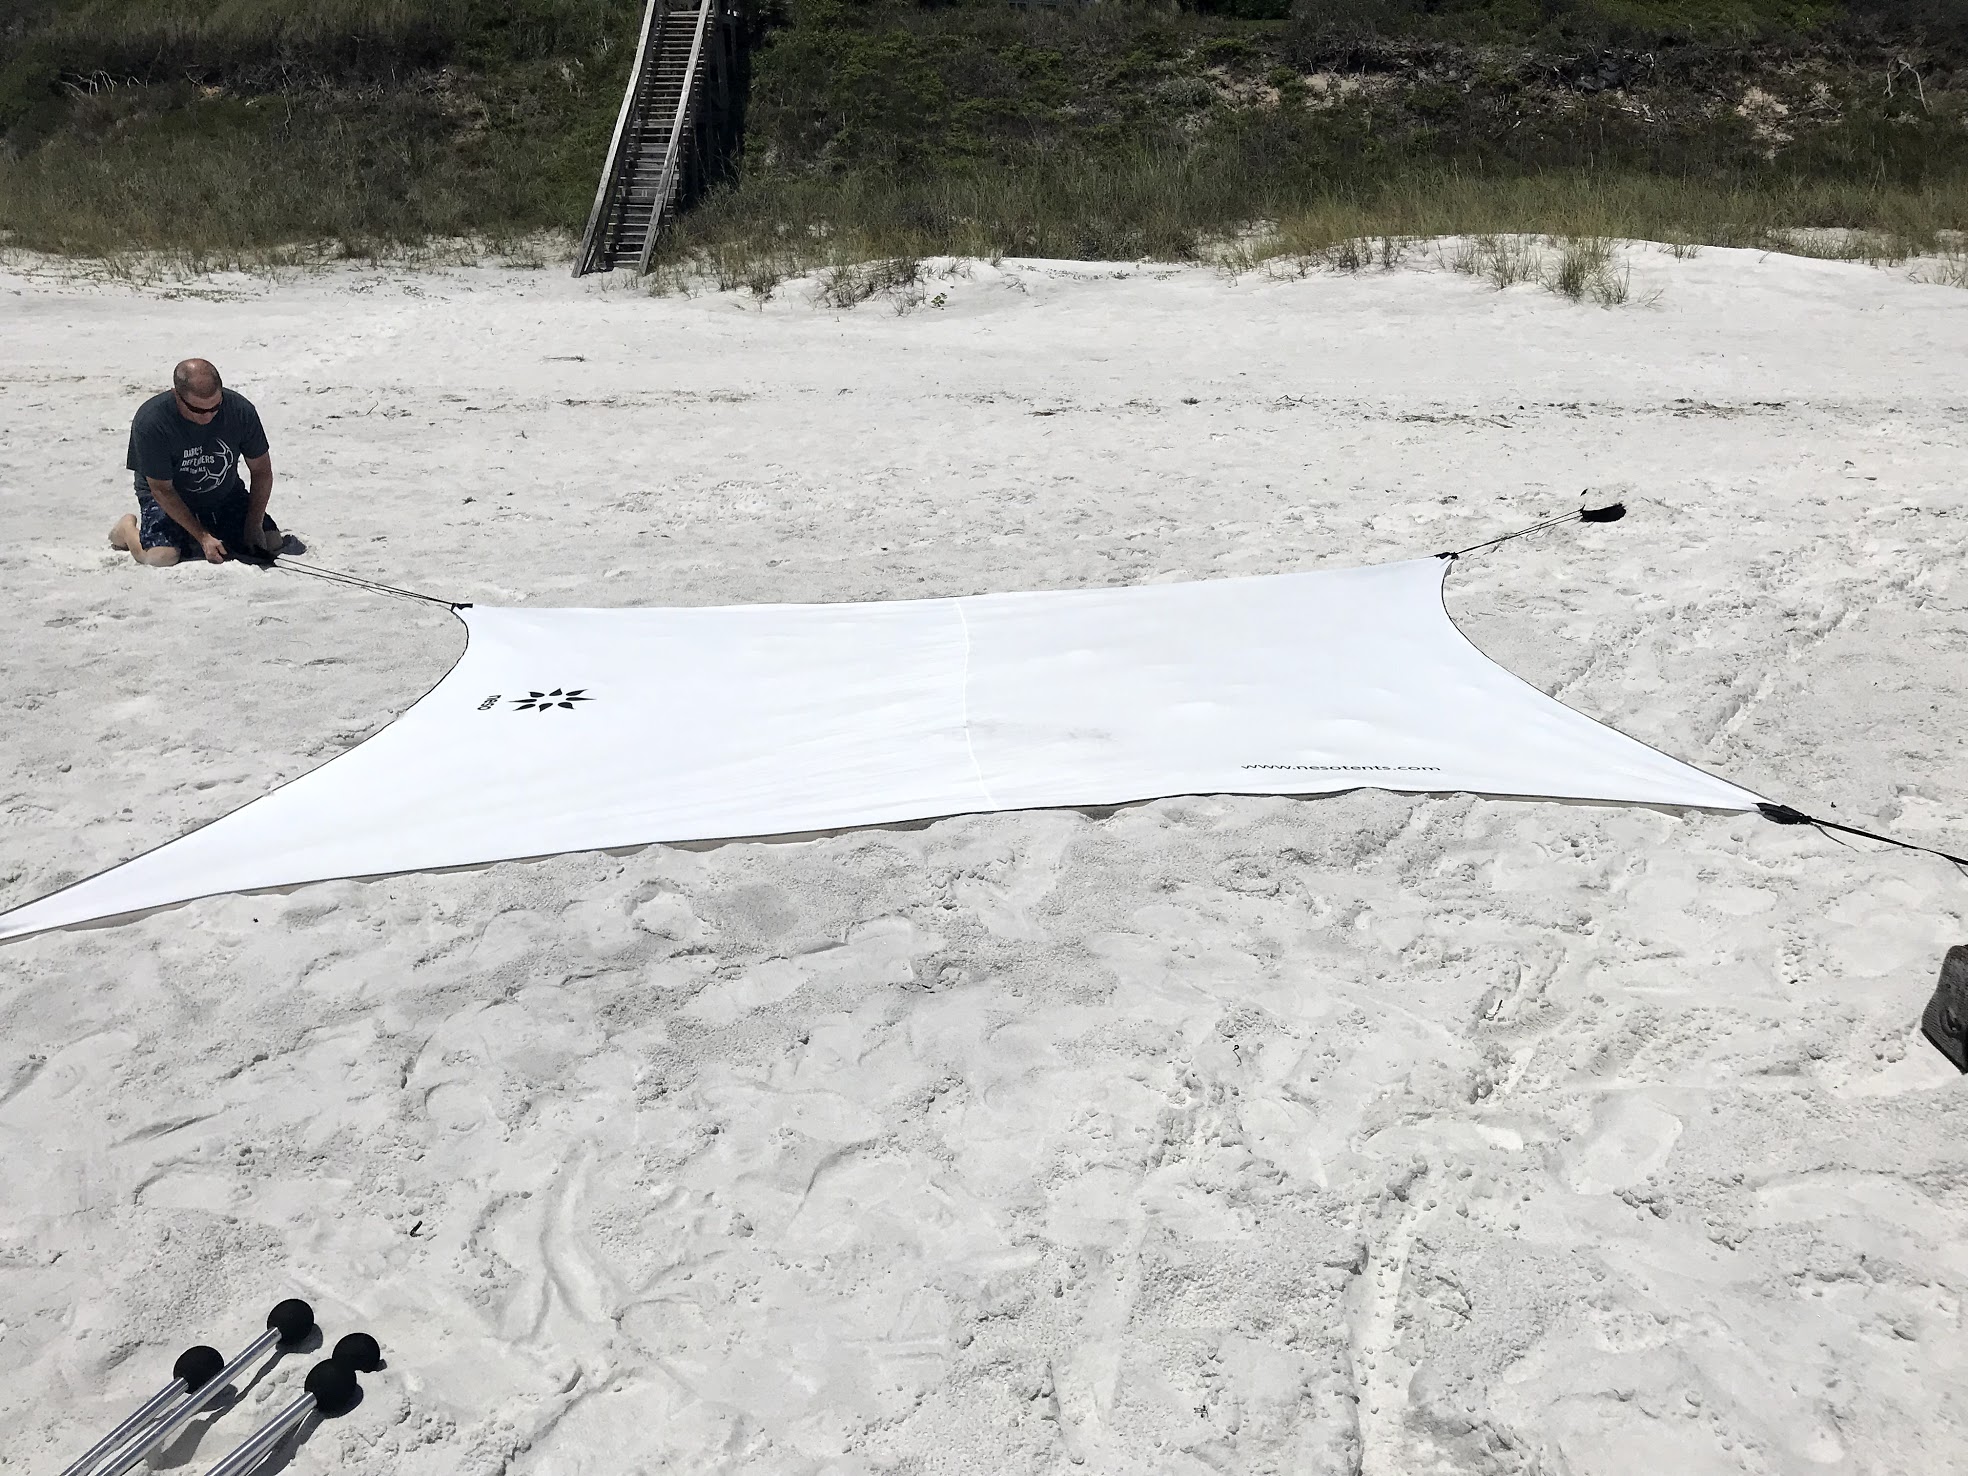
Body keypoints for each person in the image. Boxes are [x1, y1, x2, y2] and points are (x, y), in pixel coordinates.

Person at [110, 359, 289, 566]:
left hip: (223, 493)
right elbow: (161, 490)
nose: (208, 416)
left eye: (215, 407)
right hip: (169, 497)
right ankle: (126, 529)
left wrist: (254, 525)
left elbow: (261, 471)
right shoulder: (151, 421)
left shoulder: (240, 410)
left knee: (270, 542)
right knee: (162, 557)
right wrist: (203, 537)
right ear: (177, 395)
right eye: (198, 410)